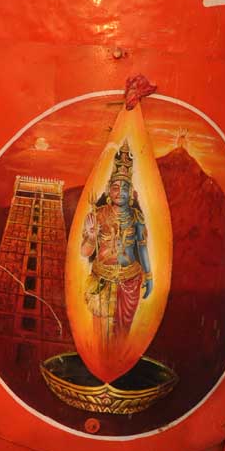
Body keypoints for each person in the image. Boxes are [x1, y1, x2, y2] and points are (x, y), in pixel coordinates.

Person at [81, 139, 153, 342]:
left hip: (130, 280)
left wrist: (149, 276)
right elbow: (85, 252)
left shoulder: (137, 218)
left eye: (124, 187)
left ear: (130, 192)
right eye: (115, 187)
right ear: (108, 190)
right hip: (102, 280)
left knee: (121, 337)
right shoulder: (99, 214)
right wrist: (91, 236)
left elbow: (143, 248)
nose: (119, 191)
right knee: (101, 337)